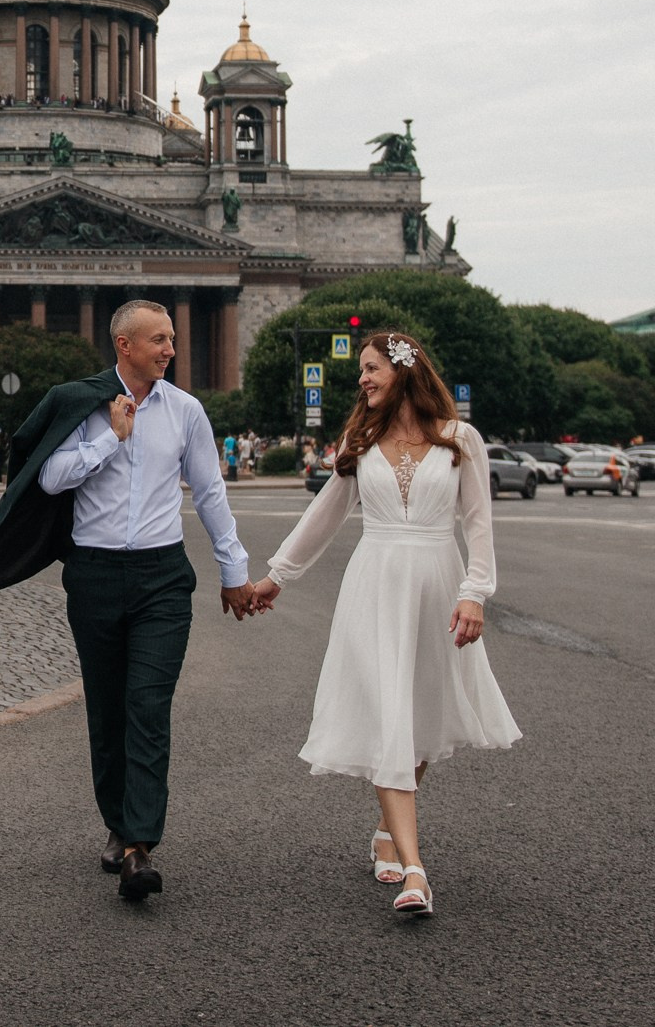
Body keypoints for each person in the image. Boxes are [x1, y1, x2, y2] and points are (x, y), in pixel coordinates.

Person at [0, 299, 260, 902]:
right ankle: (118, 822)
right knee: (107, 709)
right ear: (124, 345)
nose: (171, 350)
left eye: (173, 339)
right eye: (159, 340)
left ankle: (138, 844)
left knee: (147, 705)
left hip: (162, 578)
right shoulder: (82, 404)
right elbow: (48, 478)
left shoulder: (186, 411)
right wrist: (110, 438)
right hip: (94, 574)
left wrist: (236, 573)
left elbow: (209, 492)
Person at [244, 330, 520, 917]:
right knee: (388, 712)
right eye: (361, 372)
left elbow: (478, 525)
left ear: (404, 372)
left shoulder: (459, 438)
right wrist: (277, 577)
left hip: (438, 583)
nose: (362, 379)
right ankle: (415, 872)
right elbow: (325, 514)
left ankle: (387, 830)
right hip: (373, 586)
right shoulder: (359, 439)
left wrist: (476, 593)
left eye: (371, 369)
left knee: (416, 713)